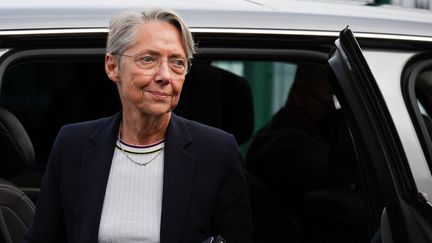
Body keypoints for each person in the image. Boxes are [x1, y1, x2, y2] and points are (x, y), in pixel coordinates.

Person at [23, 8, 252, 243]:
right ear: (112, 66)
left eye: (177, 62)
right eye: (148, 59)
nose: (165, 75)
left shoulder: (216, 152)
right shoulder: (73, 144)